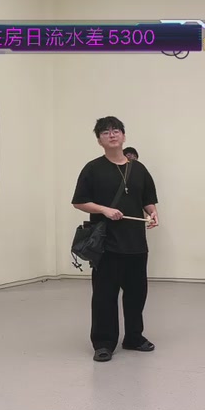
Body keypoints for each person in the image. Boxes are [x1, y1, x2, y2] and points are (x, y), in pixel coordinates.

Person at [72, 116, 159, 362]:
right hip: (106, 244)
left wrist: (153, 213)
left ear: (123, 135)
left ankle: (134, 337)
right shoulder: (92, 169)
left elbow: (148, 199)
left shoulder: (139, 169)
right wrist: (104, 210)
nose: (112, 135)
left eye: (116, 130)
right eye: (105, 132)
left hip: (136, 244)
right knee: (104, 296)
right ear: (99, 140)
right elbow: (79, 202)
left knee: (136, 295)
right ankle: (103, 343)